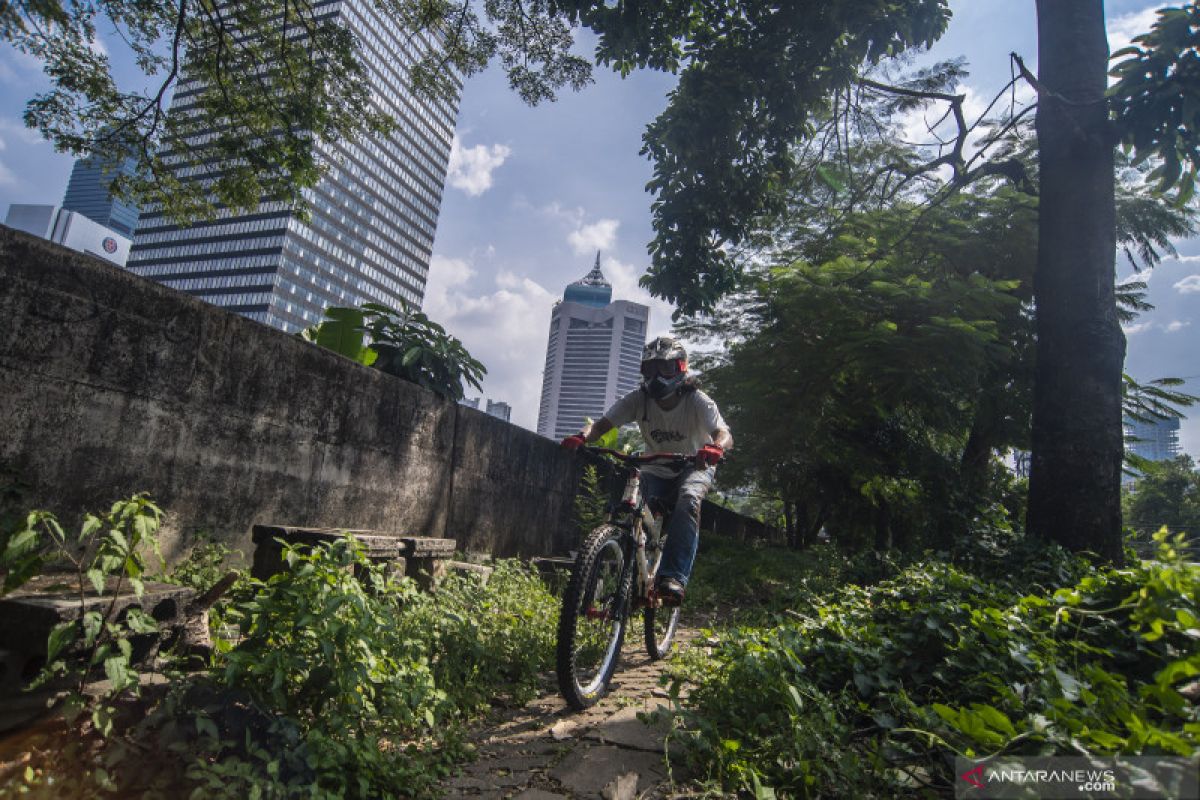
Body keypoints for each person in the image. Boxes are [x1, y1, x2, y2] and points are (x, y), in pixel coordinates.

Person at [561, 336, 733, 606]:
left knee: (689, 500)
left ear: (680, 369)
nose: (656, 377)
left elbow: (723, 433)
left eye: (664, 369)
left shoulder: (698, 400)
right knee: (633, 511)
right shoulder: (637, 400)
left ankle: (673, 577)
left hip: (694, 466)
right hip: (655, 467)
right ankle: (632, 576)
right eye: (649, 370)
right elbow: (601, 425)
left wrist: (715, 448)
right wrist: (581, 437)